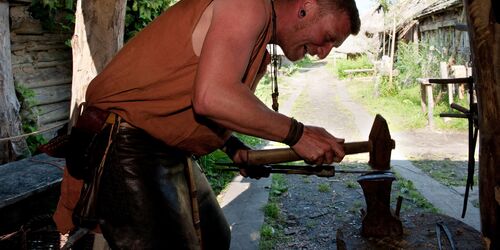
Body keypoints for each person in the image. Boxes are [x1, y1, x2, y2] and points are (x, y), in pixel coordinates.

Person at [53, 0, 360, 249]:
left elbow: (204, 101)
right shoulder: (248, 5)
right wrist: (298, 134)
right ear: (305, 7)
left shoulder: (259, 41)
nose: (325, 52)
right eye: (330, 37)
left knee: (215, 238)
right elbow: (211, 97)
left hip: (166, 148)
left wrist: (234, 147)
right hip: (126, 136)